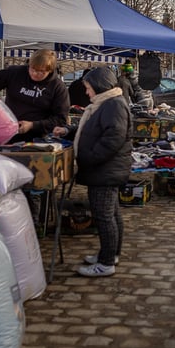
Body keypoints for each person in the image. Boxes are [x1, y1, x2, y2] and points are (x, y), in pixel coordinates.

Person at [52, 67, 131, 277]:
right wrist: (68, 131)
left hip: (104, 170)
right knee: (111, 214)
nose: (87, 92)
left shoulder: (113, 105)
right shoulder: (105, 103)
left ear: (99, 86)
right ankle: (111, 254)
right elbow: (91, 130)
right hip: (104, 169)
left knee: (104, 216)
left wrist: (88, 157)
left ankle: (106, 263)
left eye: (88, 88)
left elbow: (113, 138)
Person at [0, 49, 69, 142]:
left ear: (50, 70)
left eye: (41, 72)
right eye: (32, 69)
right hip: (6, 131)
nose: (35, 74)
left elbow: (60, 119)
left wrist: (32, 125)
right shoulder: (14, 73)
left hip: (36, 140)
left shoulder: (58, 87)